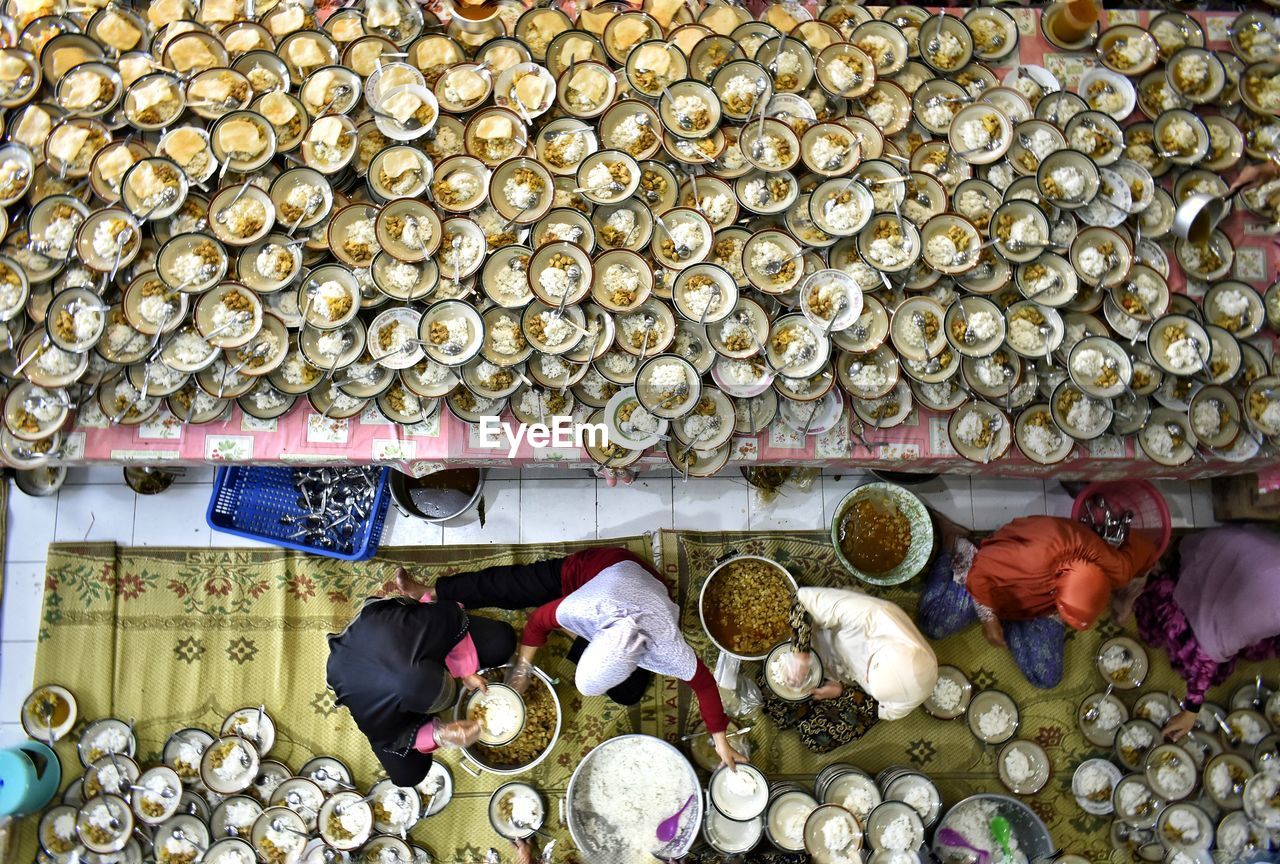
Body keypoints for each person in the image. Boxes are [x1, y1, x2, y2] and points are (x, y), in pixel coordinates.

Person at [396, 546, 749, 770]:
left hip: (639, 589)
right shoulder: (583, 605)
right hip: (591, 573)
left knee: (628, 693)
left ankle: (573, 637)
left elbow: (704, 685)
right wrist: (522, 668)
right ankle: (432, 590)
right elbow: (536, 622)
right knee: (513, 586)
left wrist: (720, 742)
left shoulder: (667, 643)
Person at [917, 514, 1158, 688]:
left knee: (1046, 677)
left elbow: (1147, 551)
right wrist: (988, 618)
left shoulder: (1114, 569)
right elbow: (982, 575)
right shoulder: (1033, 557)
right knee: (933, 624)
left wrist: (1130, 592)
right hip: (994, 579)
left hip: (1037, 606)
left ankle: (1013, 621)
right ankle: (952, 541)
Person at [325, 594, 516, 786]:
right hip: (356, 672)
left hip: (399, 636)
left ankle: (437, 663)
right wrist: (439, 734)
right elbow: (389, 738)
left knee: (502, 641)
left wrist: (465, 669)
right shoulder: (369, 712)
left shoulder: (416, 626)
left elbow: (451, 615)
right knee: (406, 776)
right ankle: (423, 704)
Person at [1134, 525, 1280, 741]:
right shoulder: (1268, 610)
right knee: (1194, 661)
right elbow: (1207, 651)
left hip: (1235, 555)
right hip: (1210, 569)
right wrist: (1191, 710)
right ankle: (1168, 591)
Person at [765, 587, 938, 752]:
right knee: (772, 686)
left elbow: (881, 710)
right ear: (880, 653)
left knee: (817, 739)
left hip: (846, 684)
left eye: (869, 682)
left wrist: (843, 692)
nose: (864, 677)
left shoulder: (915, 694)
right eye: (869, 670)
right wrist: (801, 656)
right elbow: (802, 600)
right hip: (826, 640)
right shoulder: (871, 615)